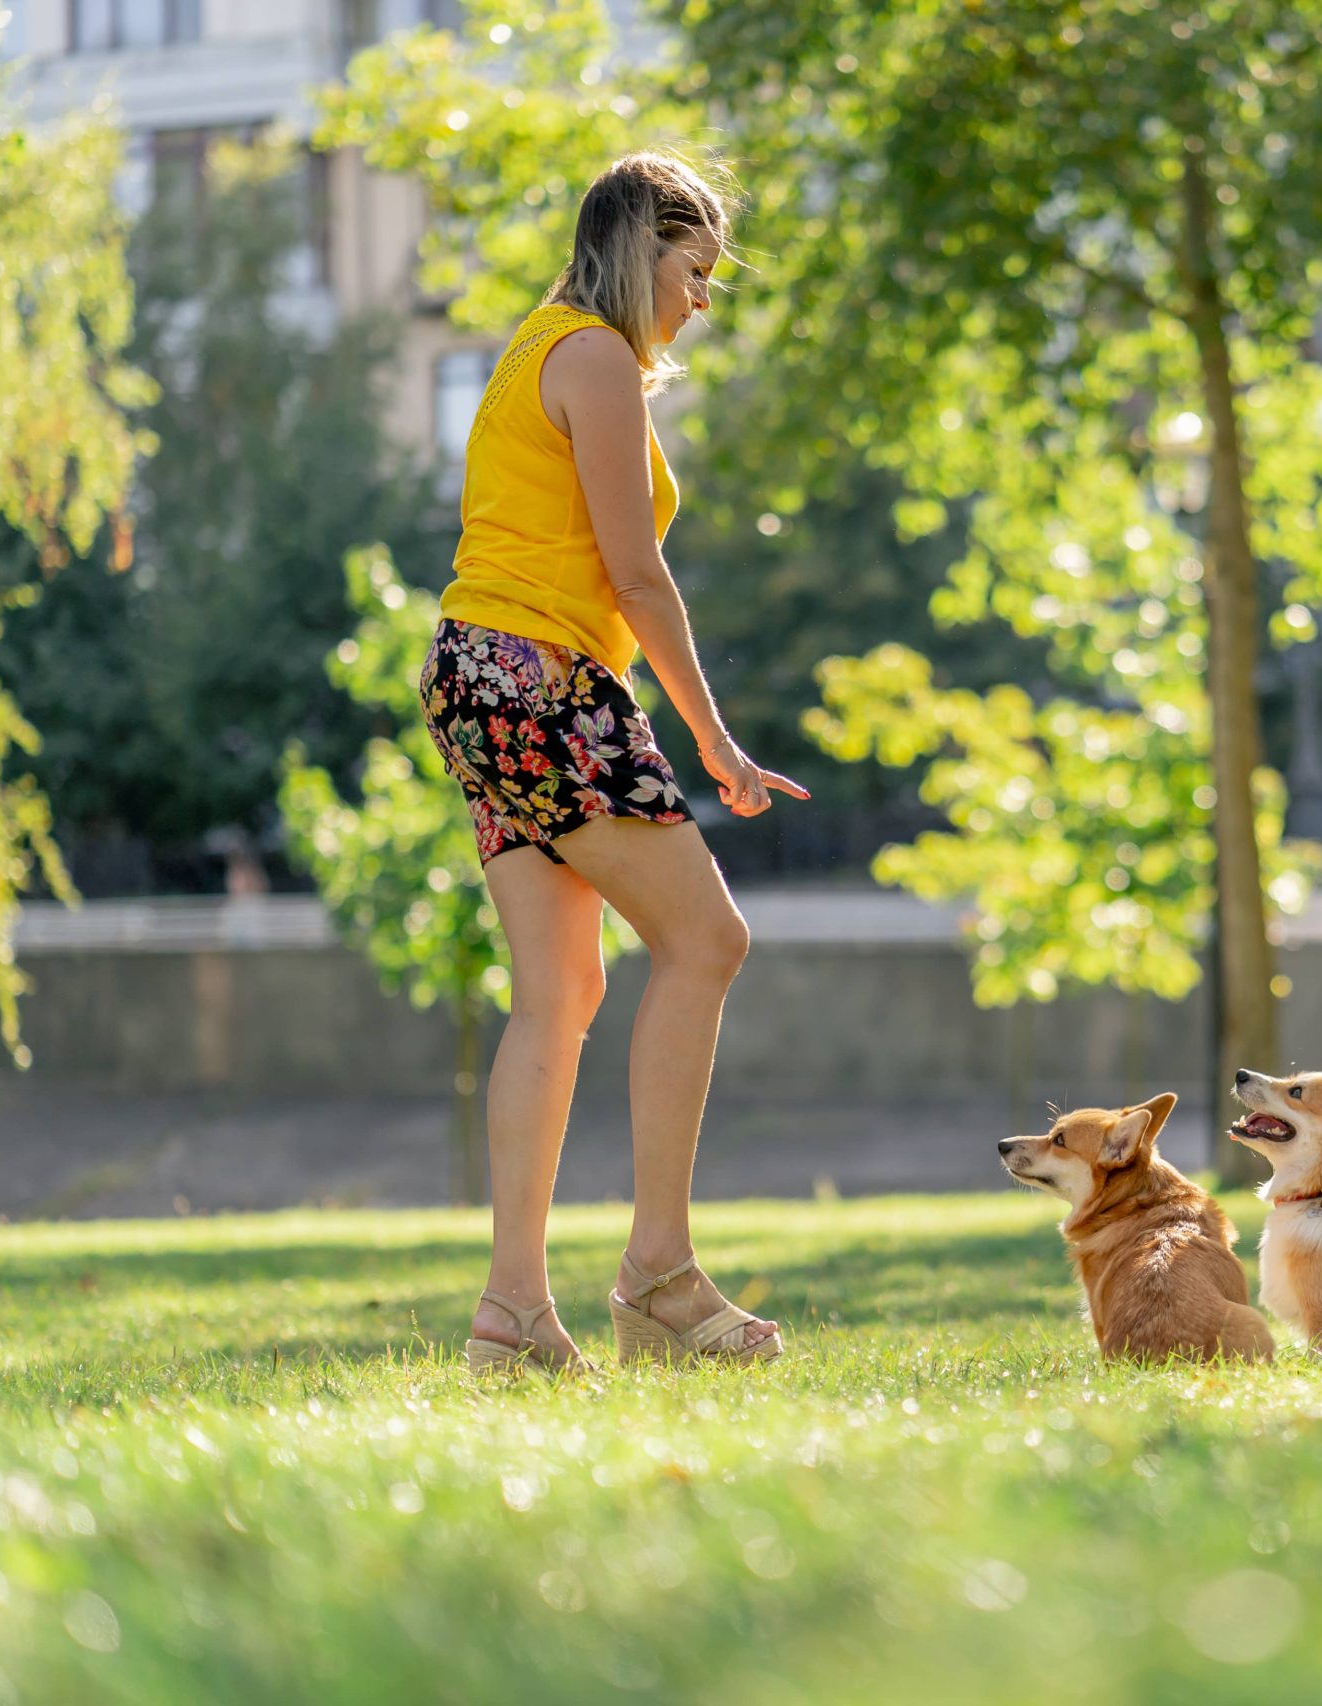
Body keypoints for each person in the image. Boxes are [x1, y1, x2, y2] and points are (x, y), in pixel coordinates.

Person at [418, 151, 805, 1372]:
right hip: (538, 679)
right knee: (708, 940)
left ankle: (513, 1314)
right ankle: (657, 1275)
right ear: (645, 247)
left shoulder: (543, 344)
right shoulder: (593, 354)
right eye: (695, 271)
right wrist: (715, 738)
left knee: (562, 994)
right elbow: (637, 575)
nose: (702, 300)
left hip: (480, 677)